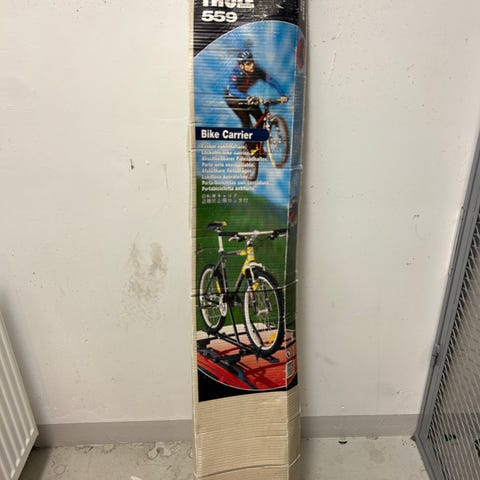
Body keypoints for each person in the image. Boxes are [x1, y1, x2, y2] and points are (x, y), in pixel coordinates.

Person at [225, 50, 288, 156]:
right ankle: (250, 148)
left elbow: (271, 80)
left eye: (252, 61)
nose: (252, 65)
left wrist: (282, 94)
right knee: (246, 121)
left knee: (261, 119)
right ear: (241, 66)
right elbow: (232, 89)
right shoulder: (236, 73)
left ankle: (258, 146)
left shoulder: (257, 70)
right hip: (232, 98)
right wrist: (247, 97)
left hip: (245, 97)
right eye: (248, 63)